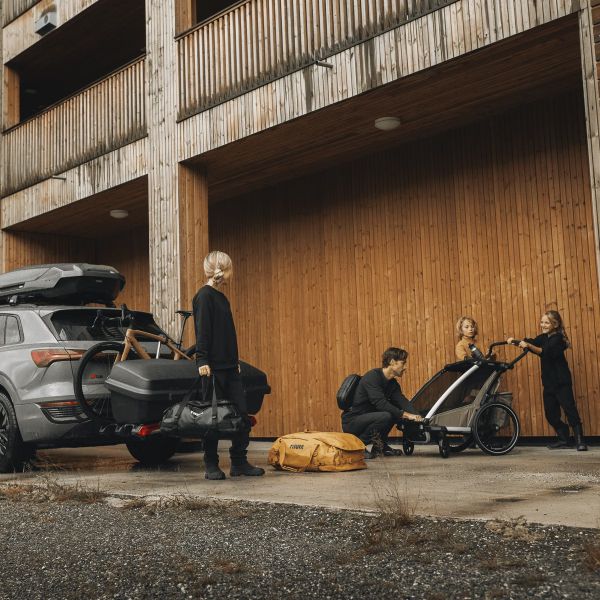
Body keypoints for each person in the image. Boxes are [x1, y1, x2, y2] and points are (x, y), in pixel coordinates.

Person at [193, 250, 265, 479]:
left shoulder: (222, 298)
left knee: (241, 415)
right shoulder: (203, 296)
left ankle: (239, 462)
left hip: (230, 368)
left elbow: (228, 334)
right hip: (212, 369)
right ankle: (211, 465)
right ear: (225, 269)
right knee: (212, 418)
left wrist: (234, 361)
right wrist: (202, 359)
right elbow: (202, 331)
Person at [507, 310, 587, 451]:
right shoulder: (543, 337)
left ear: (555, 324)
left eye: (547, 323)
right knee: (550, 413)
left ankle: (580, 441)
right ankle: (564, 439)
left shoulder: (558, 339)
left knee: (570, 410)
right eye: (542, 322)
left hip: (561, 382)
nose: (543, 325)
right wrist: (515, 341)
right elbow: (532, 342)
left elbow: (544, 351)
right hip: (549, 383)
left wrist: (528, 346)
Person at [341, 347, 424, 458]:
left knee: (394, 413)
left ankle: (379, 447)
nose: (405, 367)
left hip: (369, 417)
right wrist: (407, 415)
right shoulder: (372, 377)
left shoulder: (392, 383)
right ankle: (358, 447)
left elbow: (402, 401)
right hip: (353, 420)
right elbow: (381, 403)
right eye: (403, 363)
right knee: (387, 415)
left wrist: (419, 417)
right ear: (392, 362)